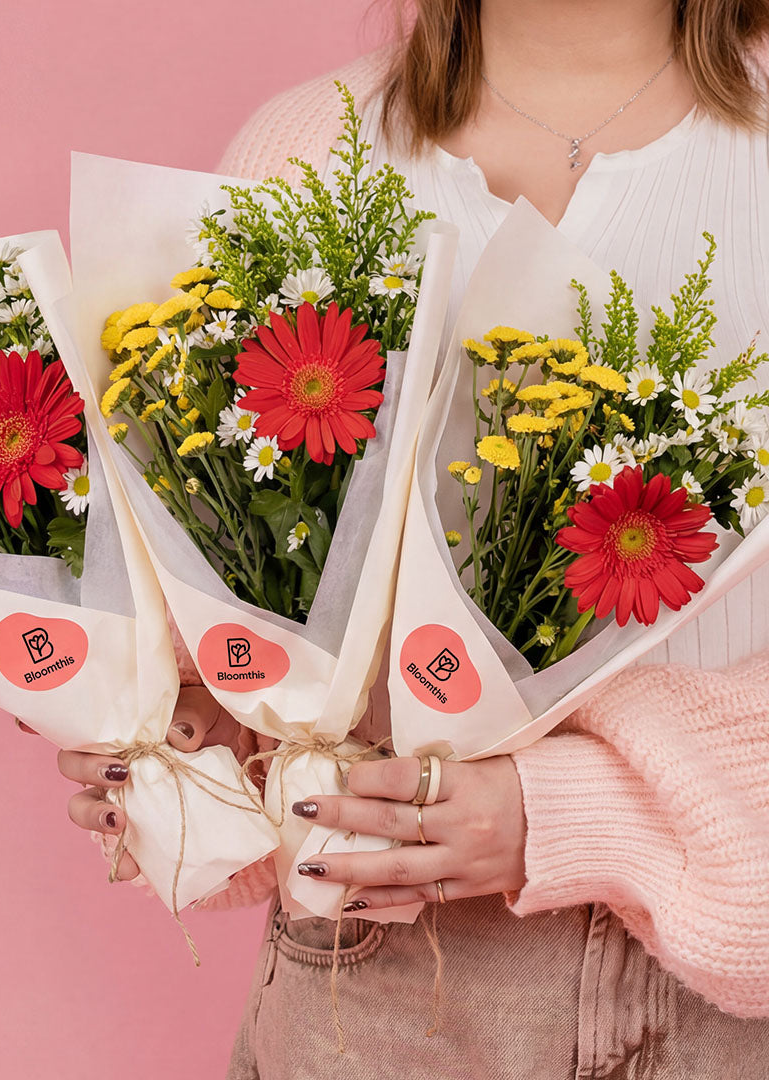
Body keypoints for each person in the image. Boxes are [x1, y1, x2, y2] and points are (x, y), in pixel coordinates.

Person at [53, 1, 769, 1075]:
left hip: (723, 991)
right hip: (376, 981)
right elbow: (246, 605)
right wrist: (186, 737)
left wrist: (570, 811)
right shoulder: (301, 154)